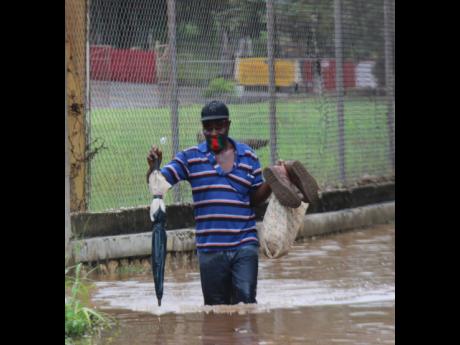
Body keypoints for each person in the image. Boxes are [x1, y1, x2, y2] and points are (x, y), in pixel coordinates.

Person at [146, 100, 319, 305]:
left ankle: (279, 174)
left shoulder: (247, 155)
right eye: (207, 128)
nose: (213, 133)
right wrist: (153, 167)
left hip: (244, 245)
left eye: (218, 127)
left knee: (246, 305)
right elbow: (158, 185)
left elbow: (254, 198)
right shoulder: (190, 158)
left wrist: (270, 184)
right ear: (202, 128)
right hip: (210, 248)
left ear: (228, 125)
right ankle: (280, 172)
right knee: (215, 309)